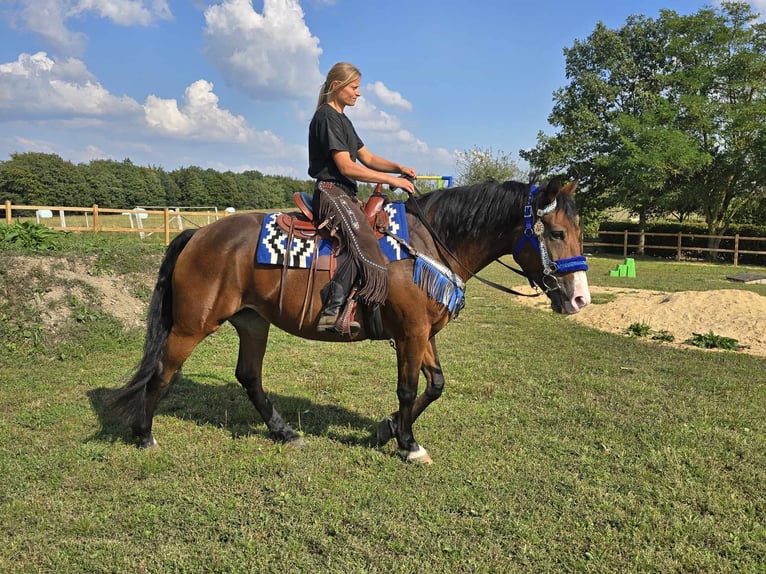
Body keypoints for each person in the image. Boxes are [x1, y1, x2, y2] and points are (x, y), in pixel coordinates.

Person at [308, 62, 417, 334]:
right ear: (337, 86)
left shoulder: (344, 119)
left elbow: (366, 157)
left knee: (369, 235)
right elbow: (346, 167)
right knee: (364, 240)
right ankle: (331, 311)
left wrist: (397, 167)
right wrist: (392, 181)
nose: (359, 93)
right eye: (354, 87)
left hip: (345, 193)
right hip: (330, 191)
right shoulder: (326, 117)